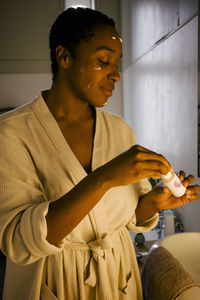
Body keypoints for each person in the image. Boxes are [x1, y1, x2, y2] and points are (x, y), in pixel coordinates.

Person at [0, 7, 199, 300]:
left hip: (119, 279)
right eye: (103, 61)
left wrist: (152, 203)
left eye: (118, 64)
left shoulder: (120, 131)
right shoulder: (12, 133)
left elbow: (128, 214)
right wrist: (103, 178)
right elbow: (18, 242)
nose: (116, 75)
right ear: (64, 57)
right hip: (55, 281)